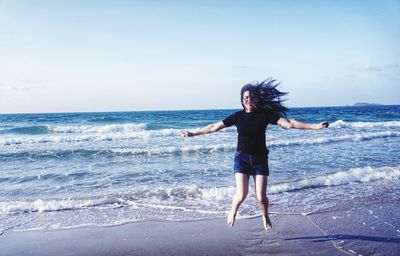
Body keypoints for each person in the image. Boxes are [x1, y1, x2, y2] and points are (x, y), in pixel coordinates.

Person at [180, 78, 329, 230]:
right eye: (246, 98)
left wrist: (315, 127)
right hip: (242, 159)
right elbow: (213, 127)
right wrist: (193, 133)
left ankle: (265, 215)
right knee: (241, 195)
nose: (248, 100)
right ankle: (233, 211)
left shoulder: (264, 115)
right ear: (242, 100)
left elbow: (289, 123)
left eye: (251, 97)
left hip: (260, 160)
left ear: (255, 99)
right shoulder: (237, 116)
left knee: (261, 197)